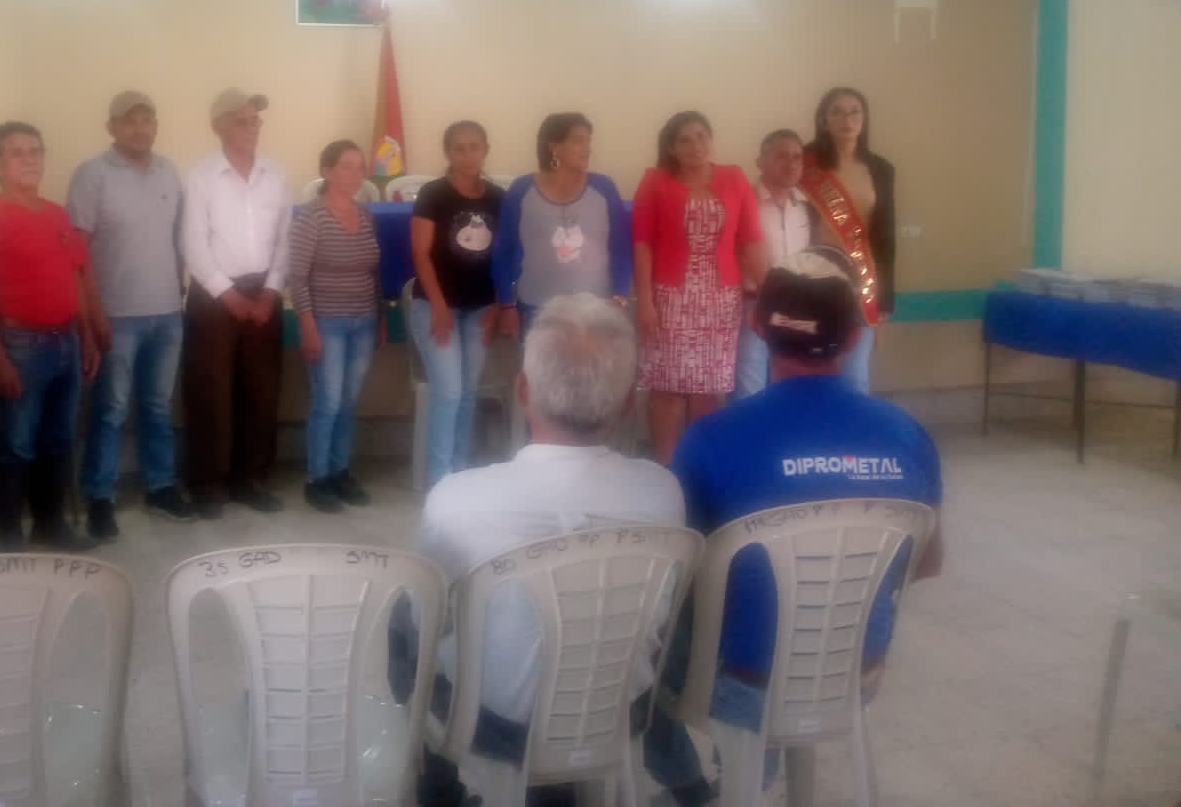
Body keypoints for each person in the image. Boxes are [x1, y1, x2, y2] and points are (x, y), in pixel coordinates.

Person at [643, 248, 943, 806]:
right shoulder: (909, 436)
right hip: (855, 671)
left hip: (743, 685)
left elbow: (680, 579)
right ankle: (749, 774)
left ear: (758, 327)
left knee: (635, 636)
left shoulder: (710, 438)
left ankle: (710, 783)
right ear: (852, 336)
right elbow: (925, 564)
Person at [401, 293, 684, 806]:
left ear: (523, 391)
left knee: (403, 619)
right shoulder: (663, 493)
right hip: (618, 714)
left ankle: (437, 787)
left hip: (496, 727)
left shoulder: (456, 498)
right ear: (628, 403)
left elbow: (426, 620)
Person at [68, 90, 194, 540]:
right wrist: (92, 314)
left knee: (158, 406)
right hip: (117, 315)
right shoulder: (92, 175)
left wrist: (179, 287)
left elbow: (177, 237)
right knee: (111, 409)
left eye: (147, 119)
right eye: (129, 121)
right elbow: (77, 253)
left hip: (167, 312)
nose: (140, 129)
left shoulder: (168, 171)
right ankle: (100, 496)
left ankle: (160, 486)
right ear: (112, 128)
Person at [0, 121, 100, 552]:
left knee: (58, 440)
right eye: (16, 153)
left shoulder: (57, 215)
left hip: (66, 342)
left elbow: (75, 276)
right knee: (15, 444)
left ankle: (51, 525)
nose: (29, 160)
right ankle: (10, 537)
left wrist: (87, 335)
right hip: (20, 347)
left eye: (35, 151)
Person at [181, 87, 292, 518]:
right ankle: (208, 485)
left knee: (262, 390)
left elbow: (285, 239)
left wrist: (270, 291)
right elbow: (193, 243)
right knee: (210, 392)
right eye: (243, 121)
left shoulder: (276, 173)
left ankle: (251, 479)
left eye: (255, 120)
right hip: (214, 297)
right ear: (220, 127)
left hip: (263, 292)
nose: (252, 128)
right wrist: (228, 295)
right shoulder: (201, 176)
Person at [633, 110, 766, 464]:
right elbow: (643, 243)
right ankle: (666, 465)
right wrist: (644, 299)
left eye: (702, 136)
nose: (696, 145)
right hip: (670, 298)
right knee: (667, 386)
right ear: (672, 148)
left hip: (720, 300)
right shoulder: (655, 181)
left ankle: (699, 464)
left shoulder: (734, 178)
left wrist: (770, 291)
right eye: (685, 140)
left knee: (710, 387)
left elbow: (751, 239)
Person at [288, 139, 383, 513]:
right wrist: (308, 325)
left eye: (360, 167)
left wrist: (378, 317)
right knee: (327, 402)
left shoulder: (366, 215)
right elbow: (297, 277)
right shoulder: (311, 217)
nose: (355, 174)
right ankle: (317, 478)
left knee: (348, 402)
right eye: (346, 166)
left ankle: (340, 471)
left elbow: (373, 272)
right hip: (326, 322)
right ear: (327, 171)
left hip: (364, 320)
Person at [409, 120, 505, 487]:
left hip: (480, 308)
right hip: (436, 308)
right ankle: (440, 481)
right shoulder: (433, 194)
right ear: (448, 153)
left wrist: (498, 305)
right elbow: (421, 253)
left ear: (486, 150)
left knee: (467, 393)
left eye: (474, 147)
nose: (467, 155)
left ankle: (460, 474)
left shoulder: (498, 198)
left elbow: (506, 257)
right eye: (459, 148)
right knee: (448, 391)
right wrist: (438, 306)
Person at [491, 113, 631, 339]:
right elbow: (502, 251)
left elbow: (621, 248)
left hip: (595, 310)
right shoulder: (521, 189)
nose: (587, 148)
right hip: (537, 308)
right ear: (553, 146)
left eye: (588, 141)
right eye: (578, 140)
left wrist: (620, 296)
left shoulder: (604, 188)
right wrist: (507, 305)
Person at [800, 87, 896, 394]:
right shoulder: (805, 164)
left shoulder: (880, 169)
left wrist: (886, 295)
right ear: (823, 119)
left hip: (862, 280)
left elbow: (885, 234)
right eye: (837, 112)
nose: (847, 119)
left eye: (855, 111)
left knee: (855, 374)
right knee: (813, 368)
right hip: (812, 279)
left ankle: (853, 425)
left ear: (864, 119)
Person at [732, 128, 816, 400]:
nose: (791, 164)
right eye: (782, 156)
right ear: (760, 162)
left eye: (797, 157)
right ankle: (752, 427)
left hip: (796, 306)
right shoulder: (743, 201)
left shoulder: (806, 206)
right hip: (753, 304)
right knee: (750, 382)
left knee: (791, 379)